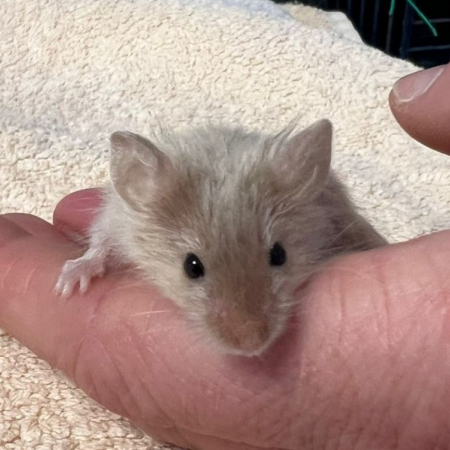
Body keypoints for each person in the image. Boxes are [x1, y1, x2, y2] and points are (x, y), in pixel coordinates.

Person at [0, 64, 449, 450]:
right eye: (194, 268)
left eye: (276, 256)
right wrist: (94, 256)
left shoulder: (302, 194)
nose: (250, 334)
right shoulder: (149, 200)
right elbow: (113, 219)